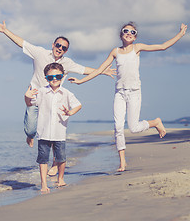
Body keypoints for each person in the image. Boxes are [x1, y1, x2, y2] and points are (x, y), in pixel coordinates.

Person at [0, 19, 115, 176]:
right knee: (30, 129)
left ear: (66, 51)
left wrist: (103, 71)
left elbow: (84, 70)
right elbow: (21, 43)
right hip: (36, 97)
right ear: (53, 45)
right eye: (58, 45)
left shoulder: (67, 63)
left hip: (54, 100)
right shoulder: (40, 53)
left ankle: (55, 163)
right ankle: (30, 135)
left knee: (54, 134)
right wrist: (5, 31)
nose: (60, 49)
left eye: (64, 48)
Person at [69, 22, 188, 172]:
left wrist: (180, 34)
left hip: (134, 92)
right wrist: (81, 81)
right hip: (119, 93)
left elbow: (162, 46)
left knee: (134, 128)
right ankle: (122, 162)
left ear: (135, 36)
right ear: (121, 34)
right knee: (118, 127)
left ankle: (155, 122)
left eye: (133, 32)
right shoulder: (115, 51)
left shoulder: (137, 48)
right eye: (126, 31)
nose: (129, 33)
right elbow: (100, 69)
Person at [25, 62, 82, 193]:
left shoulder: (66, 93)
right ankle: (44, 184)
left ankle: (60, 179)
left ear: (62, 77)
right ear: (46, 78)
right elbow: (30, 104)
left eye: (57, 76)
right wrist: (26, 96)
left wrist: (70, 112)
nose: (54, 79)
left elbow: (78, 105)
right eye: (50, 77)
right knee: (43, 159)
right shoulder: (41, 92)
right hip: (43, 132)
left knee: (61, 158)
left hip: (59, 132)